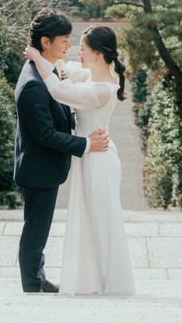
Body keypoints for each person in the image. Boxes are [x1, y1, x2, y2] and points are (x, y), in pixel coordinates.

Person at [24, 25, 136, 296]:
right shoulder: (92, 74)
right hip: (90, 156)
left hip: (98, 161)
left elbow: (58, 90)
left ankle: (115, 284)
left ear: (97, 53)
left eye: (83, 49)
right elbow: (64, 69)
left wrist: (37, 57)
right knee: (89, 219)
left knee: (103, 221)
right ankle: (93, 281)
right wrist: (51, 56)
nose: (78, 53)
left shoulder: (102, 89)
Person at [13, 9, 110, 293]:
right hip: (37, 168)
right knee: (35, 232)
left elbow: (63, 92)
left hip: (42, 167)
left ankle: (38, 277)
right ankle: (32, 287)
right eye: (64, 40)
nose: (69, 45)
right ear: (46, 42)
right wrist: (86, 144)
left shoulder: (44, 68)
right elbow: (45, 135)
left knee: (38, 228)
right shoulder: (32, 84)